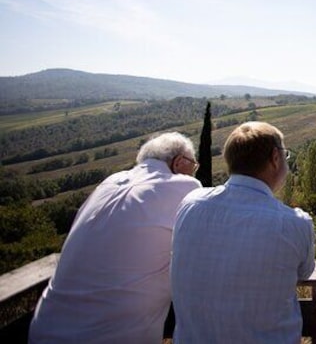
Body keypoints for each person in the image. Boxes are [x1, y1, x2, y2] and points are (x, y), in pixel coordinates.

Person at [29, 132, 202, 344]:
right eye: (193, 167)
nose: (194, 175)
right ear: (179, 163)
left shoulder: (109, 183)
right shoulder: (184, 187)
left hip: (43, 329)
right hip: (111, 336)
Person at [170, 121, 315, 344]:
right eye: (284, 155)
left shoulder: (190, 204)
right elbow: (303, 274)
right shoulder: (294, 223)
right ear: (275, 158)